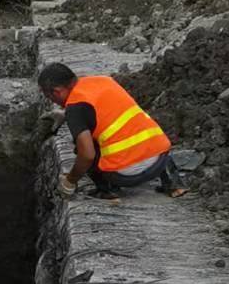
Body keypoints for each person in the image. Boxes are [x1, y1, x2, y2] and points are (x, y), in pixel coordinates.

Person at [37, 62, 185, 201]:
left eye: (50, 97)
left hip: (125, 176)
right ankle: (174, 185)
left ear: (57, 91)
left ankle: (108, 190)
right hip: (159, 160)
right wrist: (66, 114)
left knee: (83, 146)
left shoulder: (75, 108)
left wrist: (70, 181)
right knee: (141, 127)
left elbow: (87, 155)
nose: (54, 102)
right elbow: (105, 112)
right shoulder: (105, 81)